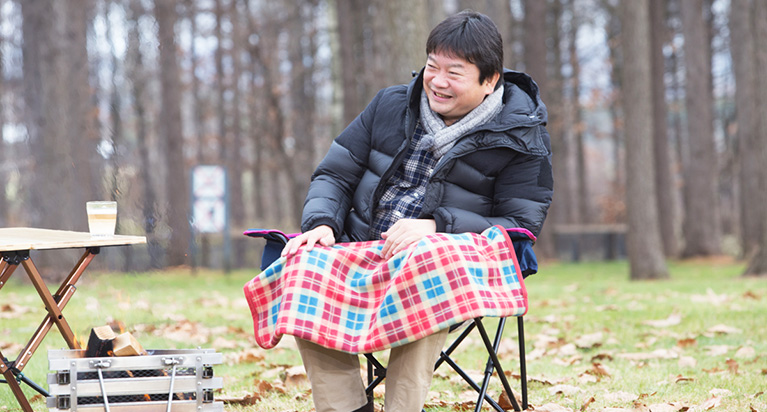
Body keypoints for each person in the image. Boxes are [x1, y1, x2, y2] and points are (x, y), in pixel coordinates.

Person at [281, 10, 553, 412]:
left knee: (428, 261)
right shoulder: (391, 104)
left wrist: (437, 227)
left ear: (490, 79)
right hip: (363, 250)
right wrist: (321, 223)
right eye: (432, 67)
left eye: (455, 73)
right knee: (304, 263)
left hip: (449, 266)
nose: (438, 82)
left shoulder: (522, 136)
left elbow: (520, 225)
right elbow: (334, 174)